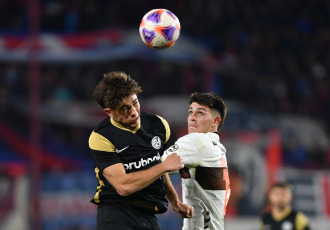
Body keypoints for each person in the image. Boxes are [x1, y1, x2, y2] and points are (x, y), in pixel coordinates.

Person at [88, 71, 193, 230]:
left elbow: (155, 165)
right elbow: (124, 187)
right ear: (110, 112)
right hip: (116, 212)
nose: (134, 112)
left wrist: (175, 202)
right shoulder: (101, 137)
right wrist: (164, 165)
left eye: (135, 103)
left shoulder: (158, 125)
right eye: (124, 109)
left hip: (148, 214)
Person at [162, 92, 231, 230]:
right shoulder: (218, 148)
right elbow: (160, 167)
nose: (192, 118)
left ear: (215, 121)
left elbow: (154, 166)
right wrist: (174, 200)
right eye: (190, 112)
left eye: (200, 113)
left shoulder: (197, 141)